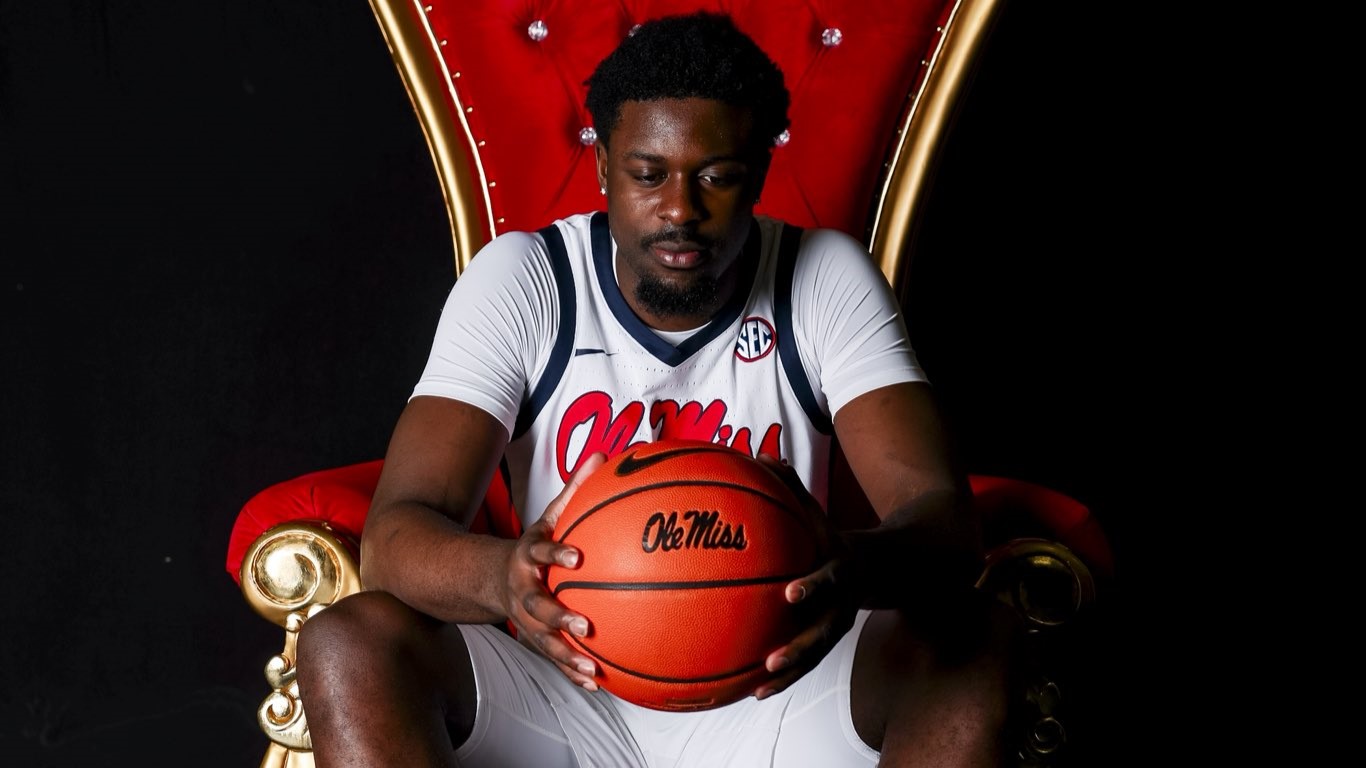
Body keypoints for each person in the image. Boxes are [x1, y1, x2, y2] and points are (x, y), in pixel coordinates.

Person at [296, 11, 1020, 767]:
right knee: (350, 641)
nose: (680, 210)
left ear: (758, 173)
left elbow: (944, 523)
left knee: (974, 638)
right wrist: (504, 578)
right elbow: (393, 539)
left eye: (716, 176)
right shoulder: (528, 280)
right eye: (648, 175)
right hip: (564, 686)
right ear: (603, 166)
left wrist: (849, 567)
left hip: (774, 685)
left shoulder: (821, 278)